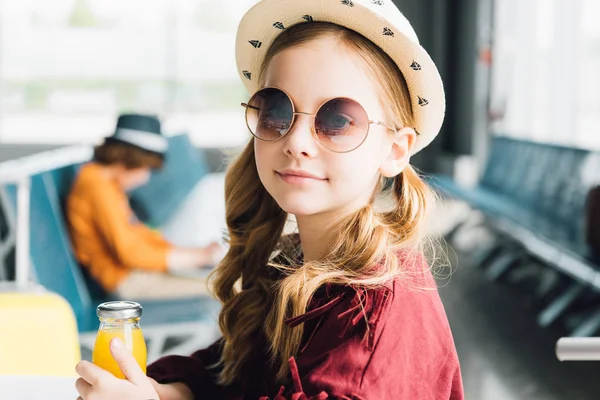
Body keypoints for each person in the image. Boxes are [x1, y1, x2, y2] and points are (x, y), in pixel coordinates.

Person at [74, 1, 464, 398]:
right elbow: (232, 379)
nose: (295, 141)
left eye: (338, 120)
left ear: (395, 151)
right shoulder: (295, 266)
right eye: (276, 111)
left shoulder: (370, 314)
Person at [66, 113, 222, 299]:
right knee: (226, 285)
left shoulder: (107, 183)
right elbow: (129, 253)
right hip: (127, 282)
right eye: (144, 168)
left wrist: (196, 253)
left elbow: (137, 234)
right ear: (129, 158)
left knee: (224, 278)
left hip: (140, 274)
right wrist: (196, 258)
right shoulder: (96, 185)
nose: (144, 178)